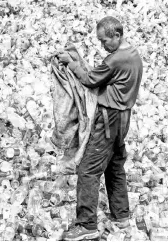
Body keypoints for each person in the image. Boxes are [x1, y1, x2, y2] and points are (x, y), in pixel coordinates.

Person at [56, 16, 144, 241]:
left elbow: (88, 79)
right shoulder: (133, 54)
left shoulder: (115, 60)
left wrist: (71, 62)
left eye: (105, 41)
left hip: (108, 119)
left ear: (117, 35)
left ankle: (86, 225)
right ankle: (121, 216)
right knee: (115, 166)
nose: (102, 45)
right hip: (124, 118)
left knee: (88, 169)